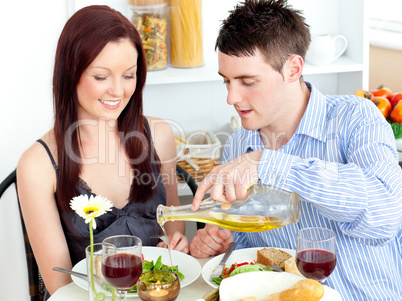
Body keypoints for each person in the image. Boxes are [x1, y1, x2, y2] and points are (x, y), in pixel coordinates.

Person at [189, 0, 402, 300]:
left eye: (247, 81)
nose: (232, 97)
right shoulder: (239, 144)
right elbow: (248, 242)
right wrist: (222, 243)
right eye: (226, 81)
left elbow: (386, 214)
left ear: (293, 68)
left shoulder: (356, 118)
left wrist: (270, 163)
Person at [17, 5, 188, 299]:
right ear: (71, 73)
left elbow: (173, 225)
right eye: (101, 77)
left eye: (129, 75)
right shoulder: (38, 164)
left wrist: (177, 245)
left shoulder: (158, 135)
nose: (118, 91)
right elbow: (61, 287)